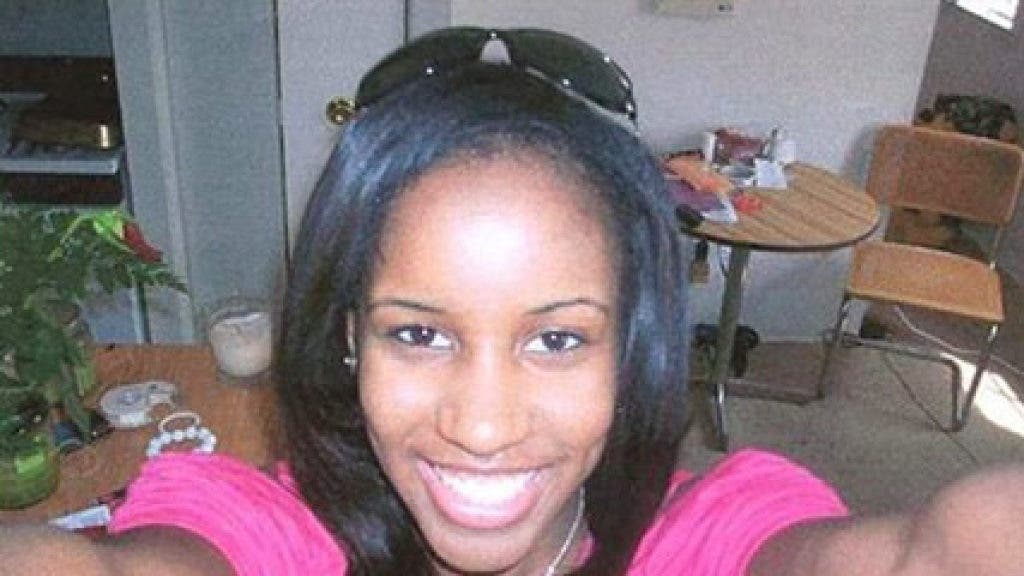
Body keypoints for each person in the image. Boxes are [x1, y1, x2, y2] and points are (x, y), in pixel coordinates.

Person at [3, 27, 1024, 576]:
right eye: (417, 332)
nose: (482, 427)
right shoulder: (265, 528)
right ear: (350, 338)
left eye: (557, 340)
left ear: (632, 346)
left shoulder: (705, 538)